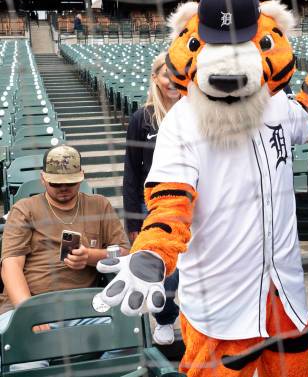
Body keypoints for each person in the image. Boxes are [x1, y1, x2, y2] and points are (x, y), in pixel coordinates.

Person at [0, 145, 129, 330]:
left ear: (82, 176)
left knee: (126, 334)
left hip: (84, 307)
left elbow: (124, 253)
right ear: (43, 178)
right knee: (29, 356)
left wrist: (91, 256)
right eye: (55, 183)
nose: (63, 188)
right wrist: (28, 313)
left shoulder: (99, 205)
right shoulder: (25, 209)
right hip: (29, 303)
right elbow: (10, 266)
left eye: (70, 182)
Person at [123, 50, 181, 346]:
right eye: (165, 74)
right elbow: (131, 172)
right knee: (165, 268)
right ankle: (166, 318)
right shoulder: (142, 118)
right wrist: (133, 218)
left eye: (175, 73)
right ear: (155, 78)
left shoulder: (196, 113)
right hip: (155, 204)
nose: (171, 81)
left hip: (195, 201)